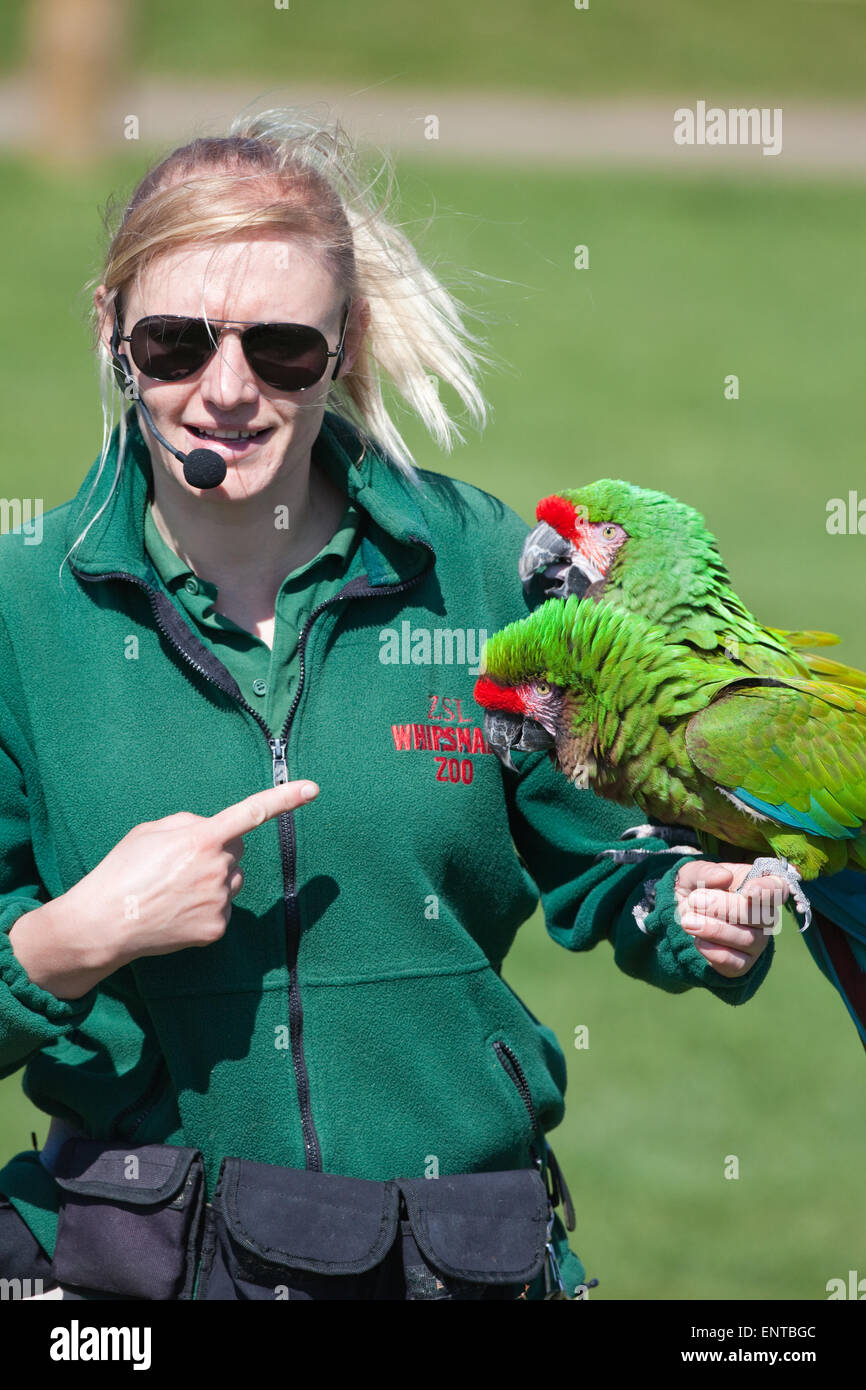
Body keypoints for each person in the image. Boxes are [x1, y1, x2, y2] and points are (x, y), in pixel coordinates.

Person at [0, 109, 788, 1301]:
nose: (224, 392)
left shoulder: (486, 570)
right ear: (113, 332)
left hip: (452, 1256)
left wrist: (686, 900)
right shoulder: (19, 607)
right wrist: (74, 937)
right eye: (174, 343)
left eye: (280, 350)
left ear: (343, 341)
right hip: (132, 1269)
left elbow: (609, 850)